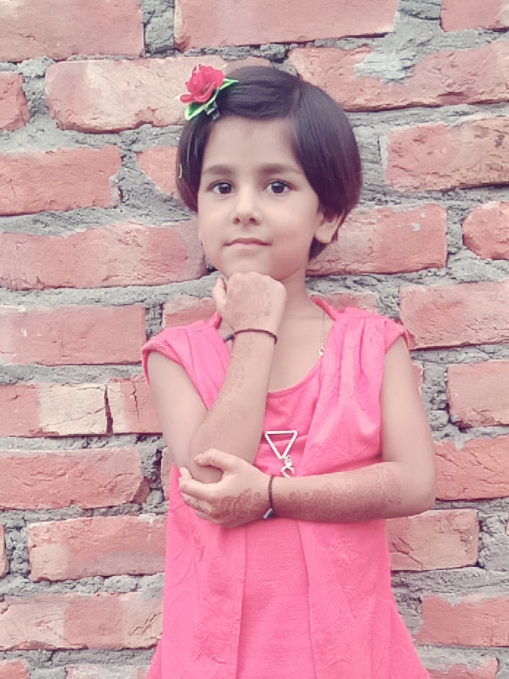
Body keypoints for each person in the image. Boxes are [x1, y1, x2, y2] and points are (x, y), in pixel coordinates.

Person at [142, 64, 436, 679]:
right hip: (216, 659)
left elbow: (414, 483)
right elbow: (210, 474)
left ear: (327, 216)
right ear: (197, 206)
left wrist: (273, 495)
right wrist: (254, 331)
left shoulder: (373, 344)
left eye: (277, 186)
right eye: (222, 186)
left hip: (350, 654)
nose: (245, 209)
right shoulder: (177, 354)